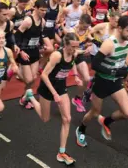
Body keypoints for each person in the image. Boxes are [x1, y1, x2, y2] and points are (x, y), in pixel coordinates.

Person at [75, 16, 128, 146]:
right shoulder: (110, 43)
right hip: (102, 82)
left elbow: (122, 61)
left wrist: (124, 73)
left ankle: (106, 121)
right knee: (95, 112)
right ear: (119, 28)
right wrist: (113, 72)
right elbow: (95, 65)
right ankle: (81, 129)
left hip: (115, 82)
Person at [24, 33, 80, 166]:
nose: (75, 50)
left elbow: (73, 63)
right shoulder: (57, 55)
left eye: (76, 47)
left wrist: (76, 75)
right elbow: (43, 75)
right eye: (73, 47)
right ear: (65, 45)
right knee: (45, 119)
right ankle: (31, 97)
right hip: (47, 88)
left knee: (67, 119)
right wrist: (54, 93)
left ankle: (62, 152)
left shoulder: (74, 53)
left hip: (61, 88)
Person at [15, 0, 48, 110]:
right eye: (42, 10)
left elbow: (39, 35)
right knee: (29, 80)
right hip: (24, 51)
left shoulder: (42, 22)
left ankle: (24, 98)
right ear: (36, 8)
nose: (44, 12)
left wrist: (42, 45)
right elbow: (17, 36)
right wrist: (21, 51)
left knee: (33, 79)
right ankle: (15, 70)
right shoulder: (28, 21)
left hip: (34, 51)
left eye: (45, 10)